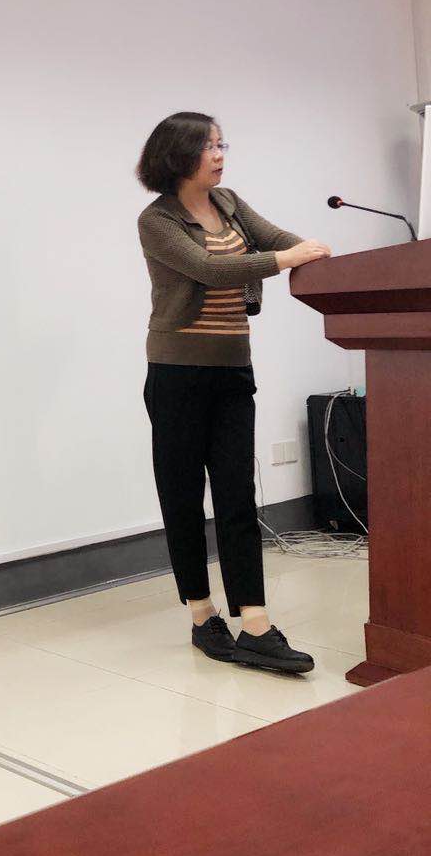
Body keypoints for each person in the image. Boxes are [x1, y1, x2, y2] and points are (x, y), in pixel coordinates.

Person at [136, 112, 331, 674]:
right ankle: (203, 616)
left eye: (223, 144)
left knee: (237, 495)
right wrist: (285, 260)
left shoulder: (229, 203)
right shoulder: (157, 220)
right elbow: (208, 269)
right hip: (177, 372)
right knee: (182, 495)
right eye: (209, 146)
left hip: (231, 369)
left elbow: (278, 240)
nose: (220, 155)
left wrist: (311, 250)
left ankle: (256, 625)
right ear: (178, 155)